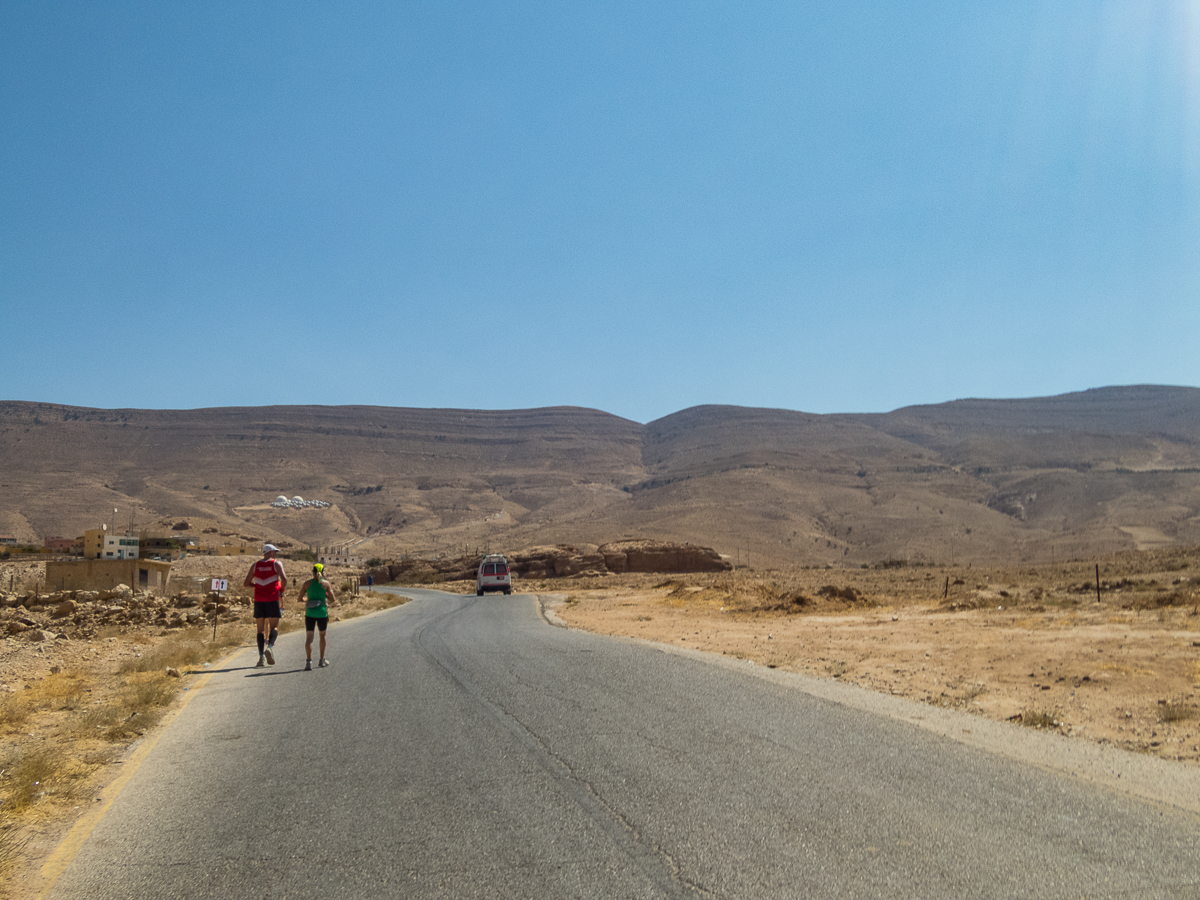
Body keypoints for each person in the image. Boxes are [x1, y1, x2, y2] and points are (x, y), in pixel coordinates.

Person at [243, 543, 287, 667]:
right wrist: (281, 590)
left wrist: (257, 585)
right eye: (275, 552)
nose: (276, 554)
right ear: (271, 552)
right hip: (272, 598)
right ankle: (270, 648)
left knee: (260, 630)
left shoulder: (255, 565)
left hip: (258, 599)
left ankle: (261, 657)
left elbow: (246, 583)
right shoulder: (276, 564)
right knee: (274, 627)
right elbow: (284, 579)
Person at [295, 563, 336, 670]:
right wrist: (325, 595)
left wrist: (307, 600)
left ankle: (308, 662)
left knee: (309, 638)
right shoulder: (326, 584)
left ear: (312, 572)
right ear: (323, 572)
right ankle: (322, 660)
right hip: (322, 612)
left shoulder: (307, 583)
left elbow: (299, 599)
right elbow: (333, 599)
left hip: (310, 613)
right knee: (322, 636)